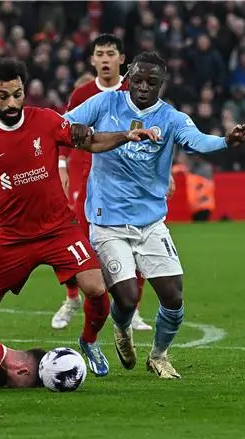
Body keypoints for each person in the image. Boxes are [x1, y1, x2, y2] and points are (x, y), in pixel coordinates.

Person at [0, 57, 158, 379]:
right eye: (4, 96)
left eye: (18, 93)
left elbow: (89, 141)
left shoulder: (45, 120)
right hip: (13, 236)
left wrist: (125, 136)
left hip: (59, 228)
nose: (13, 102)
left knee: (96, 288)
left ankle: (88, 341)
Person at [63, 51, 245, 379]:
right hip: (107, 221)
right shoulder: (105, 103)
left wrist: (225, 140)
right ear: (129, 78)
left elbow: (197, 140)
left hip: (150, 223)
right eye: (138, 80)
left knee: (174, 297)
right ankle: (122, 329)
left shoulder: (171, 118)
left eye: (152, 82)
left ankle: (159, 356)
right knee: (126, 296)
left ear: (161, 84)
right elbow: (64, 124)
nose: (144, 87)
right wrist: (65, 148)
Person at [51, 34, 154, 337]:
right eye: (100, 54)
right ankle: (72, 298)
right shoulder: (82, 93)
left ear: (122, 59)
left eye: (111, 53)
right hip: (84, 171)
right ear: (93, 60)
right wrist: (60, 165)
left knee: (137, 239)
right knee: (76, 239)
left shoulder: (134, 89)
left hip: (128, 175)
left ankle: (131, 309)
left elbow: (149, 131)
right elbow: (62, 131)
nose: (105, 59)